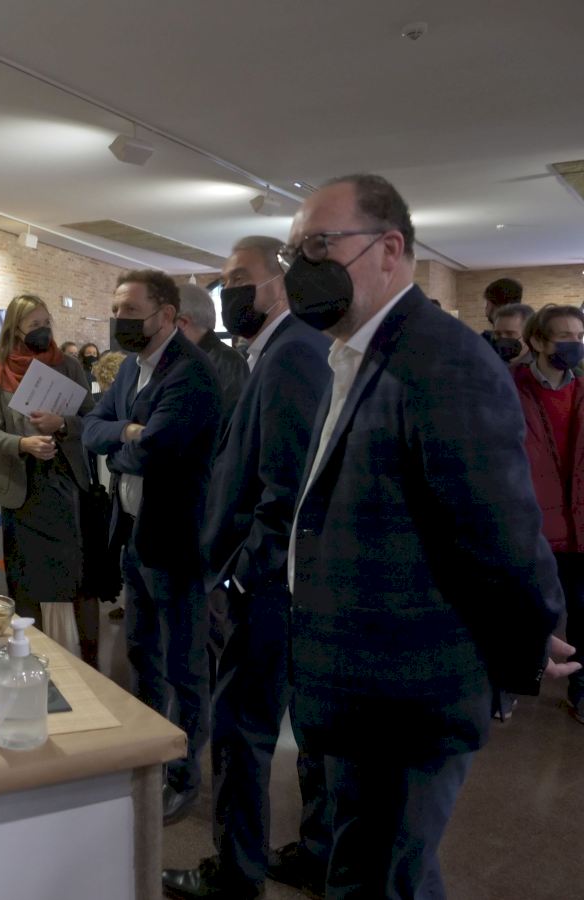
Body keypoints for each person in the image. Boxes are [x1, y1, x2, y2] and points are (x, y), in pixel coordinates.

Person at [282, 173, 575, 899]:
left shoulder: (441, 359)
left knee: (381, 879)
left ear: (389, 249)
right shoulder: (359, 355)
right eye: (294, 253)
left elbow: (498, 529)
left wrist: (526, 640)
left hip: (407, 692)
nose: (301, 269)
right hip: (362, 686)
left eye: (318, 246)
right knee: (384, 872)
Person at [163, 236, 331, 900]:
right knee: (301, 727)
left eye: (241, 278)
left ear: (280, 284)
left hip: (265, 589)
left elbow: (286, 489)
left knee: (240, 729)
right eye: (225, 278)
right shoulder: (275, 353)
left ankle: (235, 874)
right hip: (269, 582)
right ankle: (317, 853)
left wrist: (240, 575)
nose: (229, 290)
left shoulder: (292, 354)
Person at [82, 270, 221, 826]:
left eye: (131, 312)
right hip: (136, 537)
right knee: (143, 655)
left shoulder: (191, 372)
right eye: (116, 310)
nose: (120, 320)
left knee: (184, 665)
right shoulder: (131, 369)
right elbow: (91, 426)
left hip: (177, 540)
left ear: (166, 315)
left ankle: (183, 776)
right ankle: (147, 761)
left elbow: (157, 447)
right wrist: (126, 432)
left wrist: (122, 440)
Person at [0, 294, 97, 659]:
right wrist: (22, 443)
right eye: (35, 325)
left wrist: (62, 424)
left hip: (66, 484)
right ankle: (29, 656)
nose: (43, 330)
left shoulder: (70, 366)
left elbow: (93, 420)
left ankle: (85, 660)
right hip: (21, 490)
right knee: (25, 582)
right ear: (16, 329)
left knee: (75, 579)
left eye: (47, 323)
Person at [513, 304, 584, 723]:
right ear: (538, 341)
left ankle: (581, 688)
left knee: (583, 611)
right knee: (525, 608)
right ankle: (513, 680)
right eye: (564, 337)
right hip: (532, 525)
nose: (574, 344)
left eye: (579, 337)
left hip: (579, 525)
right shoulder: (509, 388)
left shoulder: (582, 389)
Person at [176, 282, 249, 429]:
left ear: (182, 322)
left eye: (164, 318)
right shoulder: (183, 358)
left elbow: (227, 426)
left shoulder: (228, 363)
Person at [489, 301, 535, 366]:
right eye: (498, 334)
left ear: (529, 335)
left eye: (510, 334)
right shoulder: (490, 363)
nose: (502, 340)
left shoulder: (541, 368)